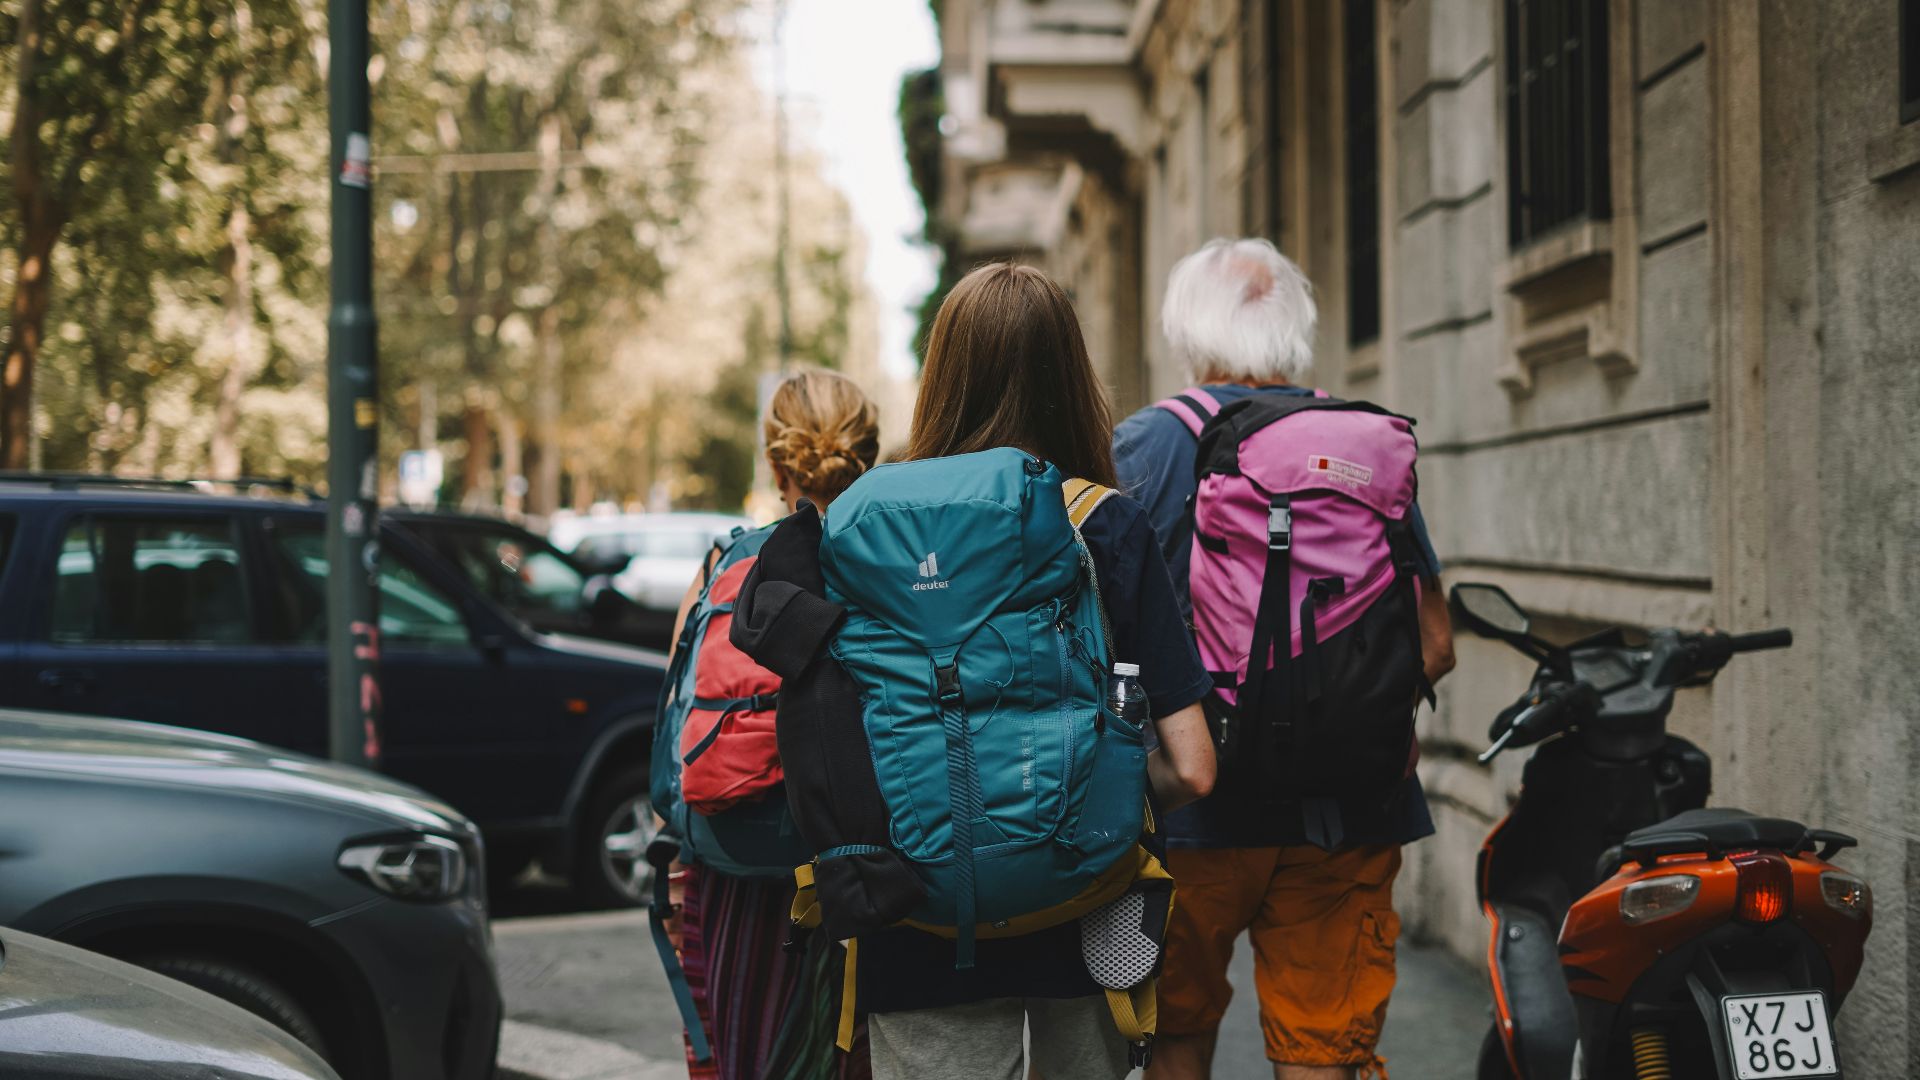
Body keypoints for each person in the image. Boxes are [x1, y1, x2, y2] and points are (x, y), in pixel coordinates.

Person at [850, 262, 1219, 1080]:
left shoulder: (875, 525)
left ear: (944, 375)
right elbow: (1194, 767)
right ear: (1069, 374)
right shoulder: (1105, 523)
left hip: (914, 915)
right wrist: (1100, 793)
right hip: (1085, 912)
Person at [1116, 239, 1457, 1080]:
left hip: (1193, 814)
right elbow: (1436, 645)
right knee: (1323, 1054)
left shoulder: (1151, 446)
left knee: (1176, 1035)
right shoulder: (1366, 445)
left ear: (1187, 335)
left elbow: (1104, 629)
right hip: (1349, 814)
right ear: (1296, 330)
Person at [664, 368, 881, 1080]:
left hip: (739, 869)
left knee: (749, 1054)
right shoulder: (895, 561)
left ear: (776, 463)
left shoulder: (728, 561)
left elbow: (675, 718)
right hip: (870, 867)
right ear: (868, 452)